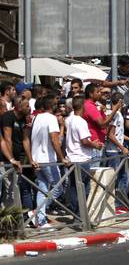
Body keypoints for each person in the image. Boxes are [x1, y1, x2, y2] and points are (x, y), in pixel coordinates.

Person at [31, 95, 70, 228]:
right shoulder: (51, 118)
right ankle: (37, 213)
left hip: (37, 159)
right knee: (58, 188)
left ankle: (39, 219)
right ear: (52, 106)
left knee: (42, 188)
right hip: (48, 160)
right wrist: (62, 157)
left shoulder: (37, 117)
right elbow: (54, 139)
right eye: (55, 104)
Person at [64, 96, 104, 213]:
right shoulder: (81, 122)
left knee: (73, 188)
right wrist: (95, 145)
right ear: (83, 107)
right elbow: (84, 141)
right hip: (81, 159)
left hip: (72, 157)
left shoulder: (69, 119)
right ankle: (80, 215)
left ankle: (77, 215)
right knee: (84, 189)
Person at [104, 93, 129, 214]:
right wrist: (122, 147)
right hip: (114, 152)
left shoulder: (118, 115)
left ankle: (120, 204)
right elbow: (110, 135)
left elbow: (118, 133)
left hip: (117, 150)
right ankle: (117, 205)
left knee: (123, 177)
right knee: (118, 179)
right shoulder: (115, 115)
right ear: (119, 102)